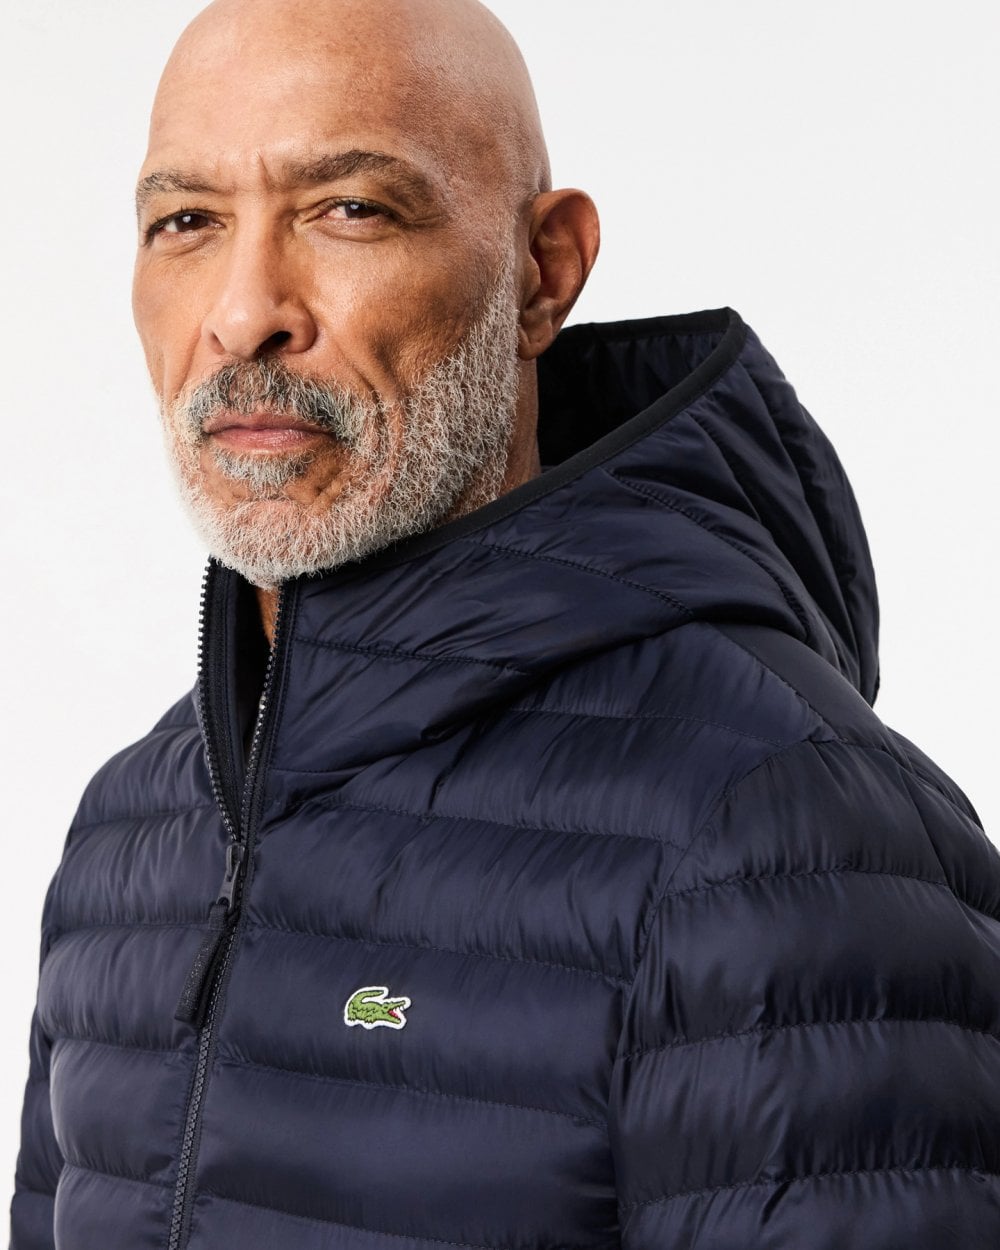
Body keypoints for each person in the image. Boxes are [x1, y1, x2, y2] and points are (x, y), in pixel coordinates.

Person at [10, 0, 1000, 1245]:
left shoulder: (777, 825)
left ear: (544, 271)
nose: (243, 311)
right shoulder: (132, 829)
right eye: (187, 222)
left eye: (349, 208)